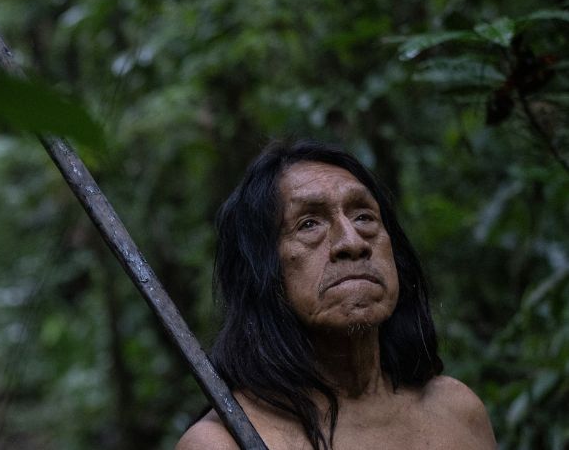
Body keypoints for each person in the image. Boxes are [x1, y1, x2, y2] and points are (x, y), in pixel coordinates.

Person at [177, 140, 496, 450]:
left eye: (364, 217)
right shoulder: (219, 443)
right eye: (309, 224)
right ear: (262, 271)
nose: (352, 242)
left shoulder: (457, 412)